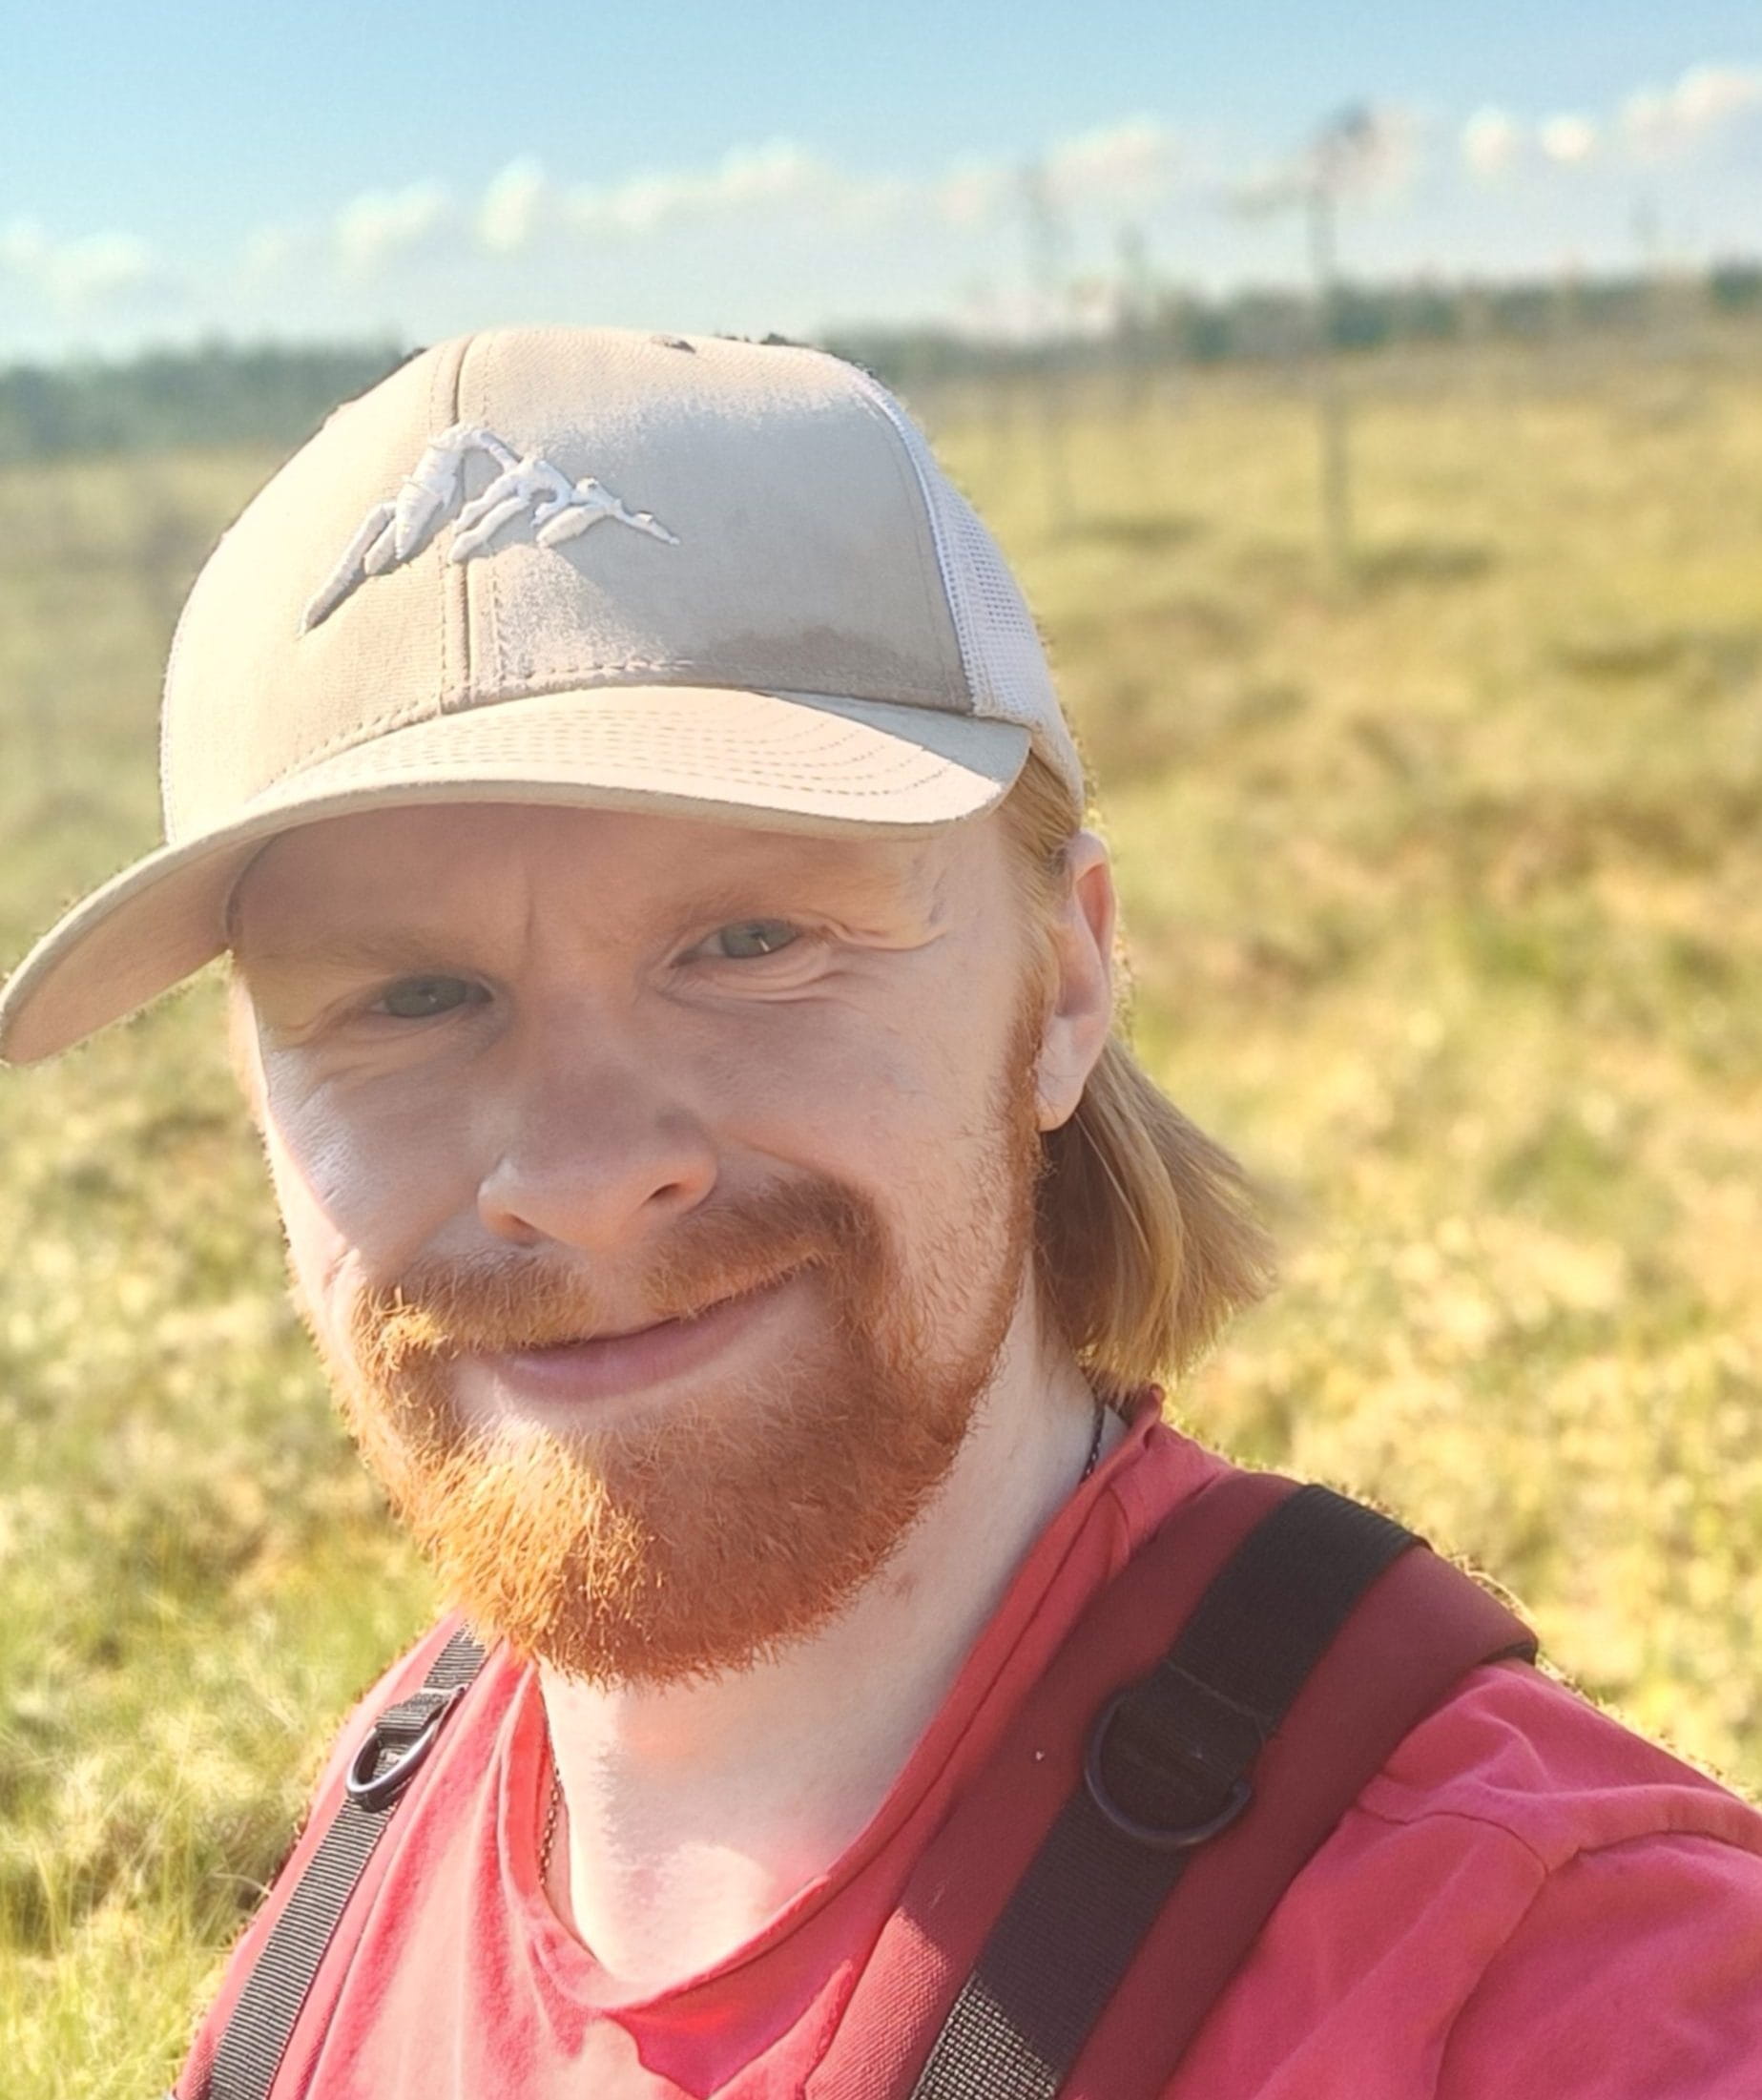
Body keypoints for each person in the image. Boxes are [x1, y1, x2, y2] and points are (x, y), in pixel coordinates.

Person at [4, 325, 1757, 2097]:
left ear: (1066, 984)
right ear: (259, 1096)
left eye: (751, 939)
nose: (581, 1174)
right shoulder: (361, 1866)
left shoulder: (1535, 1973)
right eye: (411, 997)